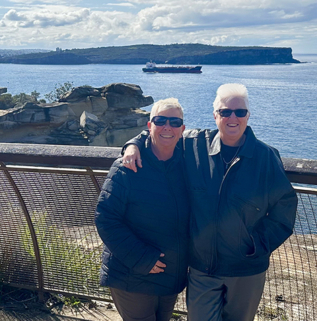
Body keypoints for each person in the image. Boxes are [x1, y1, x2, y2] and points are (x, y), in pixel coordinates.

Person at [121, 84, 298, 321]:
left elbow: (284, 208)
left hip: (246, 269)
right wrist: (133, 143)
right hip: (202, 269)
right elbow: (162, 133)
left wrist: (257, 246)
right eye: (225, 112)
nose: (232, 117)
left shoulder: (265, 157)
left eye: (240, 112)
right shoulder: (194, 144)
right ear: (215, 116)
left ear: (248, 116)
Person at [95, 98, 190, 321]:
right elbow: (106, 218)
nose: (168, 127)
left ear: (182, 129)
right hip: (132, 273)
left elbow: (221, 140)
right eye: (160, 120)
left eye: (175, 122)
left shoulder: (188, 163)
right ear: (149, 126)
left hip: (170, 274)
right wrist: (141, 258)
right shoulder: (127, 167)